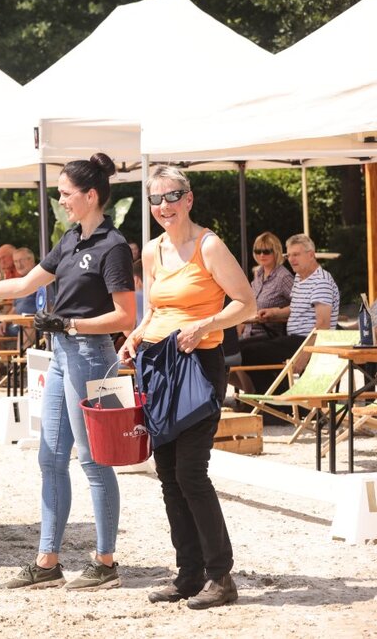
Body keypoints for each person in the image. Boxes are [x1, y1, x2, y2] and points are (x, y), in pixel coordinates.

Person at [0, 153, 135, 591]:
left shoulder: (112, 247)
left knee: (93, 461)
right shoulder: (70, 239)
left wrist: (71, 323)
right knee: (49, 458)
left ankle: (106, 561)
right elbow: (22, 286)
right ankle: (47, 561)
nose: (60, 201)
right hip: (61, 354)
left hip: (94, 355)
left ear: (90, 195)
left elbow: (125, 317)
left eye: (65, 193)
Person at [119, 166, 255, 610]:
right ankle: (189, 575)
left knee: (191, 472)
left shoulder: (209, 246)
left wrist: (206, 324)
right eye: (156, 200)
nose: (164, 207)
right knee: (168, 477)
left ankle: (221, 576)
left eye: (172, 196)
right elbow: (155, 311)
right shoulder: (154, 252)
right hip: (158, 367)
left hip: (199, 365)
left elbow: (246, 304)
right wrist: (134, 338)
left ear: (189, 198)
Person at [237, 233, 340, 394]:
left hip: (306, 342)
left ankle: (278, 404)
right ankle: (275, 401)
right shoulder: (300, 277)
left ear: (311, 254)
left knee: (248, 353)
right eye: (289, 255)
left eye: (296, 255)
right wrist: (275, 313)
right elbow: (297, 307)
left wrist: (304, 355)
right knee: (242, 350)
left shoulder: (321, 281)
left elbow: (323, 325)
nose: (291, 259)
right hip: (293, 339)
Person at [0, 247, 39, 383]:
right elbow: (15, 307)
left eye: (21, 260)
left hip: (34, 325)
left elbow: (48, 304)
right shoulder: (22, 281)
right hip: (17, 323)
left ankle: (16, 376)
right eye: (16, 261)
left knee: (26, 329)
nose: (18, 264)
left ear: (31, 260)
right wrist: (4, 322)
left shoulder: (39, 278)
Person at [240, 232, 294, 339]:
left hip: (268, 337)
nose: (261, 255)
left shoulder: (283, 277)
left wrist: (275, 313)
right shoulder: (258, 274)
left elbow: (299, 305)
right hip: (247, 334)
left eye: (266, 251)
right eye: (258, 251)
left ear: (276, 252)